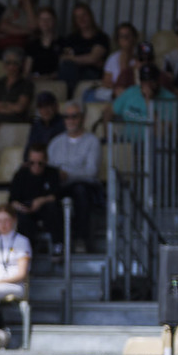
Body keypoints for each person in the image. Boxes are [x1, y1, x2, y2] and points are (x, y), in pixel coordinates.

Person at [47, 101, 103, 248]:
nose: (70, 120)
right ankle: (57, 243)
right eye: (66, 117)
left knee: (80, 191)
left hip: (85, 187)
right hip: (60, 186)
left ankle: (81, 239)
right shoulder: (55, 142)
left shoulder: (92, 141)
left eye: (74, 116)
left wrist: (68, 174)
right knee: (48, 196)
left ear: (82, 118)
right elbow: (49, 169)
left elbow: (91, 172)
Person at [0, 205, 31, 343]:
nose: (3, 224)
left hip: (14, 284)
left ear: (14, 220)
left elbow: (22, 274)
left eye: (6, 220)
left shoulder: (22, 241)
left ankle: (0, 327)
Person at [5, 144, 64, 251]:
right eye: (32, 163)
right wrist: (21, 207)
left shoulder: (52, 173)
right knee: (22, 218)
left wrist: (41, 201)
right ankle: (27, 250)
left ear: (46, 161)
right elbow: (12, 200)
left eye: (40, 163)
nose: (36, 166)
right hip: (25, 211)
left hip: (45, 210)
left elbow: (57, 195)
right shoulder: (20, 175)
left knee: (53, 208)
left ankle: (57, 245)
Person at [55, 4, 109, 85]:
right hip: (72, 73)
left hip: (93, 74)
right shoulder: (71, 38)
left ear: (90, 16)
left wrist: (72, 58)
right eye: (77, 17)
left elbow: (93, 58)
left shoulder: (101, 37)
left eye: (84, 15)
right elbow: (63, 59)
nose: (81, 19)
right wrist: (86, 59)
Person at [0, 47, 34, 124]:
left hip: (15, 121)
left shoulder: (26, 84)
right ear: (4, 64)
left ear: (20, 65)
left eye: (15, 63)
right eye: (8, 63)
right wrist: (7, 106)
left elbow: (20, 107)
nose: (11, 67)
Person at [23, 6, 64, 83]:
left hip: (55, 83)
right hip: (34, 82)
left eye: (48, 19)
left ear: (54, 21)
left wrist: (47, 77)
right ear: (38, 21)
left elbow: (62, 69)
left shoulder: (61, 42)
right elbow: (26, 72)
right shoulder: (32, 44)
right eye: (42, 19)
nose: (45, 22)